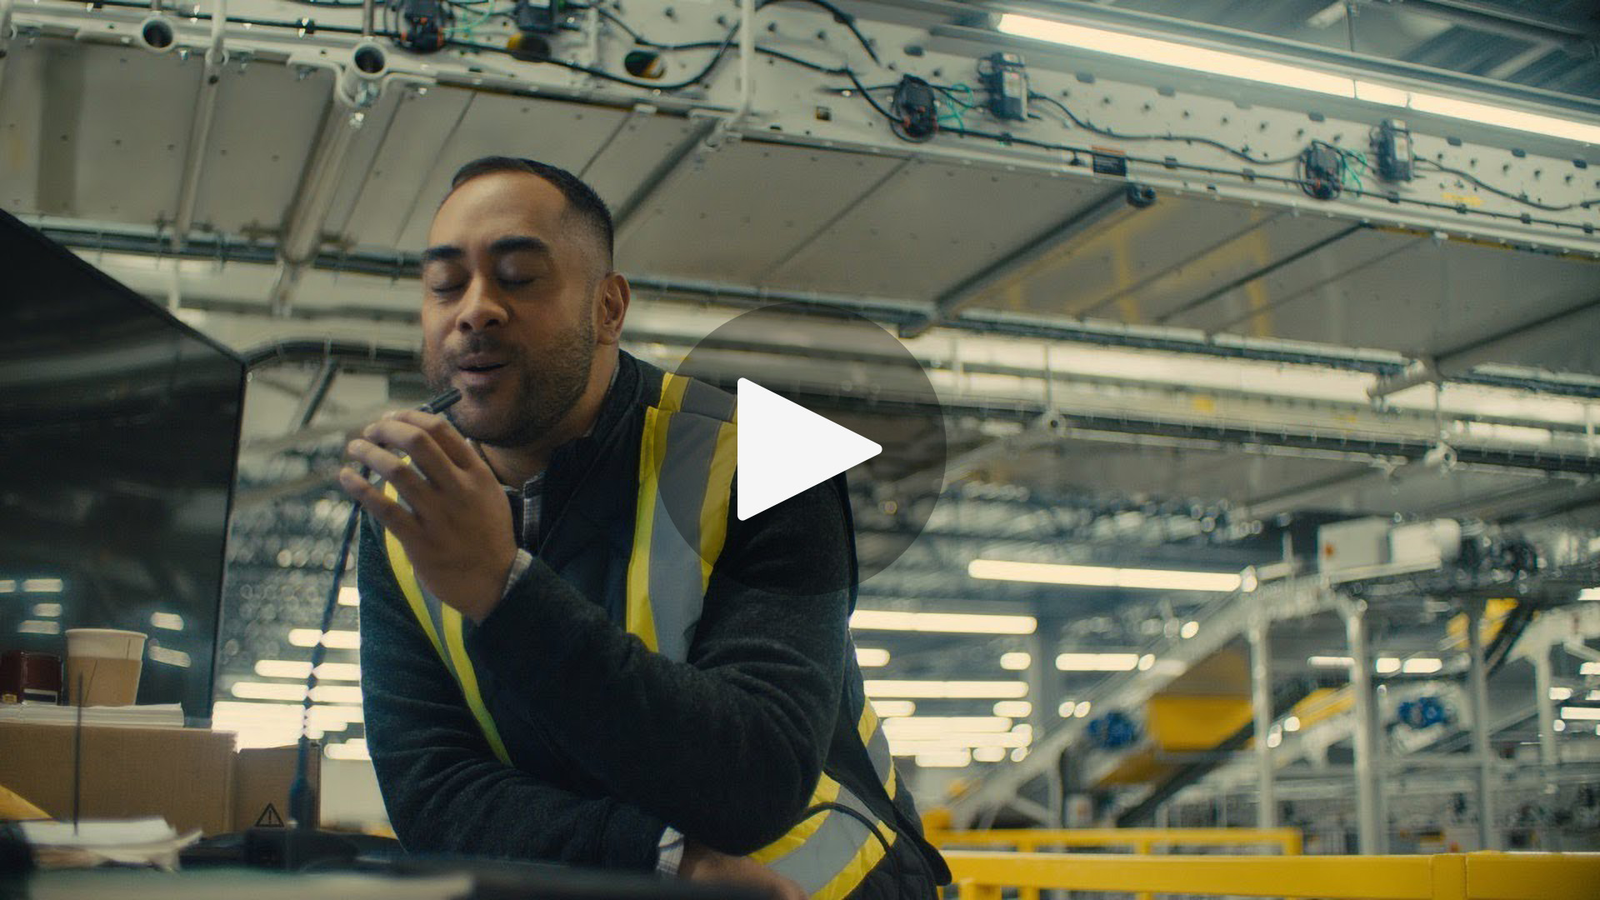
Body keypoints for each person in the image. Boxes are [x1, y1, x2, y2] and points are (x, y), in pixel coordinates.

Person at [339, 156, 950, 900]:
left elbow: (758, 778)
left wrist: (505, 590)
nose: (475, 309)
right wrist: (658, 858)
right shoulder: (407, 493)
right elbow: (430, 786)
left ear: (608, 308)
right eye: (444, 285)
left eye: (519, 277)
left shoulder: (770, 460)